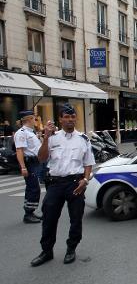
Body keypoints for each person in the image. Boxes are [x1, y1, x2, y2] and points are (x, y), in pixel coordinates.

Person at [30, 104, 95, 267]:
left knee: (76, 219)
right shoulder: (52, 138)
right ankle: (46, 251)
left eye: (73, 117)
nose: (70, 119)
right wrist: (45, 137)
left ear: (76, 118)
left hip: (76, 183)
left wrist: (85, 180)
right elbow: (42, 158)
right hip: (55, 184)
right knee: (49, 219)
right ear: (60, 119)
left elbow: (88, 163)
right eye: (66, 117)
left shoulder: (83, 139)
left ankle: (71, 248)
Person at [13, 110, 42, 224]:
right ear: (29, 119)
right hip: (29, 163)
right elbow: (19, 150)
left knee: (32, 187)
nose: (35, 120)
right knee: (33, 188)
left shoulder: (31, 132)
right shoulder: (22, 133)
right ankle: (28, 214)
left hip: (35, 162)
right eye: (34, 118)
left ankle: (30, 211)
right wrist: (23, 167)